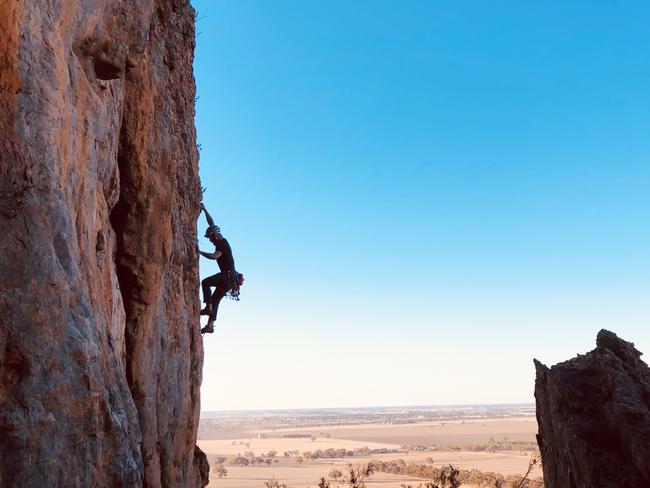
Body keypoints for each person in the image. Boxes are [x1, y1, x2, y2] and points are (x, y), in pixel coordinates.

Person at [198, 202, 242, 334]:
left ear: (214, 235)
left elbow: (213, 256)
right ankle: (210, 325)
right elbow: (211, 223)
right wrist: (205, 210)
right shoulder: (221, 239)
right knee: (216, 298)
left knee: (205, 282)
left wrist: (199, 251)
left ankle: (208, 307)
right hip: (231, 280)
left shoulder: (221, 245)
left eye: (210, 238)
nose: (210, 240)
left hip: (226, 276)